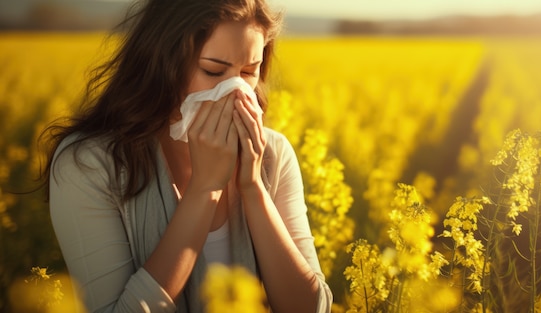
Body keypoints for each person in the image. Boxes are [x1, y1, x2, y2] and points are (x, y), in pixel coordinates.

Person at [41, 0, 332, 312]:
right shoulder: (88, 165)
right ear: (161, 66)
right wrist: (205, 188)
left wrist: (253, 188)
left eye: (249, 71)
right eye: (213, 70)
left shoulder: (272, 155)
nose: (235, 91)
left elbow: (311, 308)